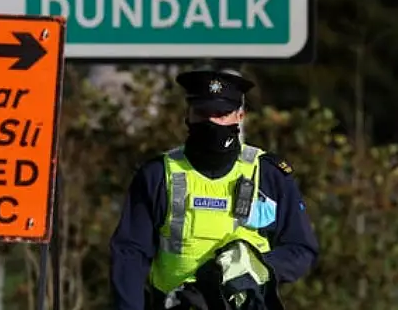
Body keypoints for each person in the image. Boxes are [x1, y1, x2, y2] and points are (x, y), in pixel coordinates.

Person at [110, 68, 318, 310]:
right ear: (188, 115)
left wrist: (256, 266)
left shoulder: (270, 175)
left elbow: (302, 249)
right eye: (202, 113)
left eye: (221, 114)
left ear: (240, 115)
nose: (211, 122)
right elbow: (130, 254)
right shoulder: (157, 175)